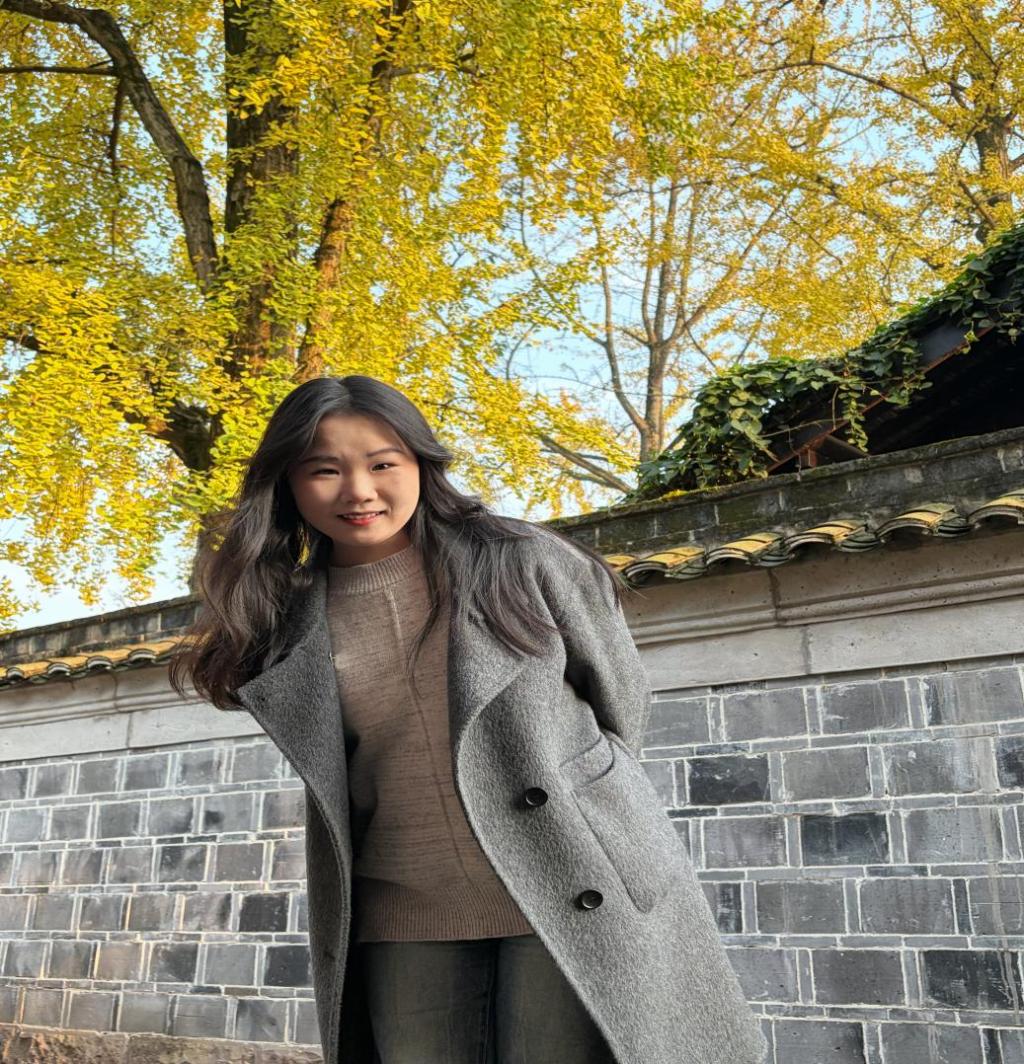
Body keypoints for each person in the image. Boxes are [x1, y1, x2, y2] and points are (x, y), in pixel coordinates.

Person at [171, 375, 766, 1064]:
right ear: (289, 485)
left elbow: (619, 704)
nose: (358, 490)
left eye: (382, 464)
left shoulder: (522, 561)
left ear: (421, 464)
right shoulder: (284, 618)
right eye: (324, 470)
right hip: (402, 908)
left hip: (570, 878)